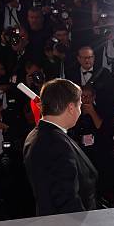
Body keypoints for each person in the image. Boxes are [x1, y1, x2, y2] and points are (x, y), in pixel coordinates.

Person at [23, 78, 98, 216]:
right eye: (79, 105)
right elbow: (66, 200)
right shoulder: (55, 143)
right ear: (70, 108)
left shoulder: (36, 134)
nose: (80, 111)